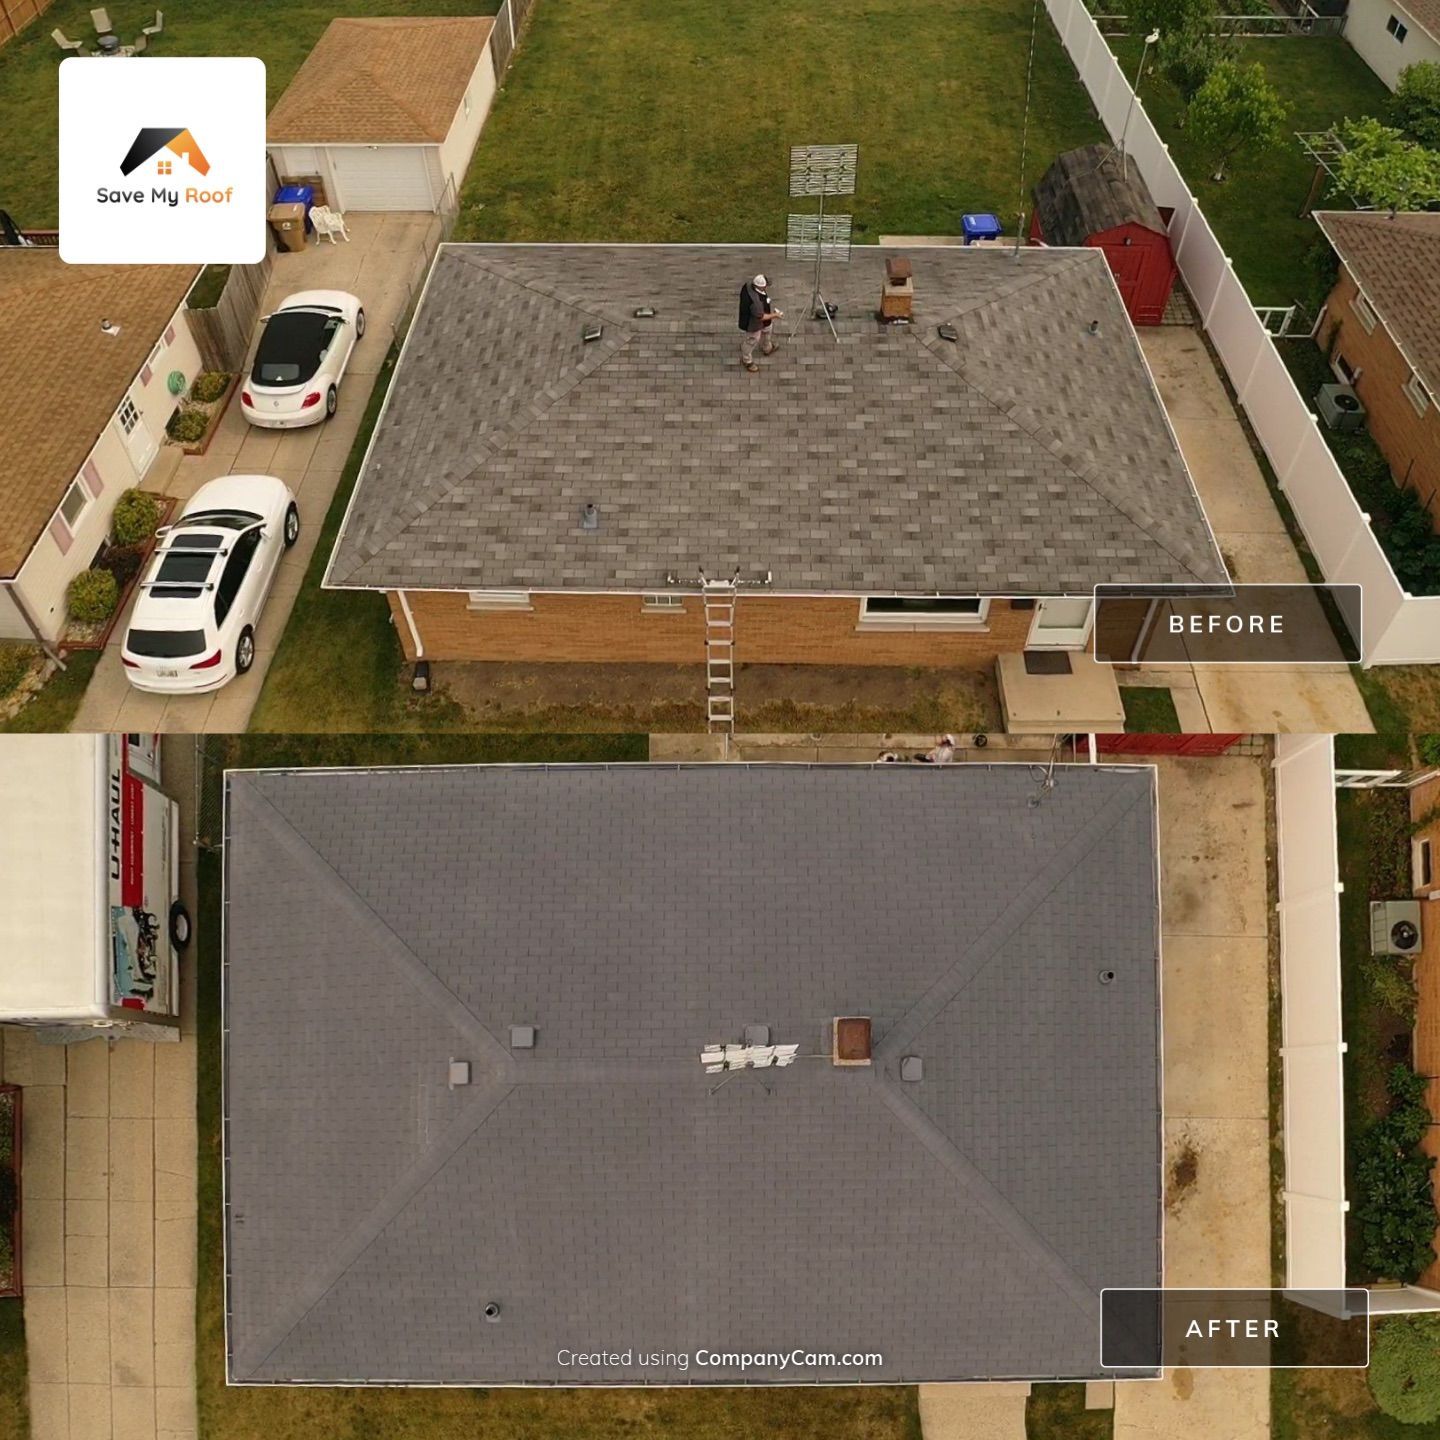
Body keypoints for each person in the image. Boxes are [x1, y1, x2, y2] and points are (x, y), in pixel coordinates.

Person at [738, 273, 781, 372]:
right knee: (752, 340)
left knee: (767, 330)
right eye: (765, 286)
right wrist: (775, 315)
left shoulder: (748, 285)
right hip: (753, 324)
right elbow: (761, 317)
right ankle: (747, 360)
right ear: (761, 287)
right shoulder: (756, 303)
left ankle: (767, 347)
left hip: (761, 317)